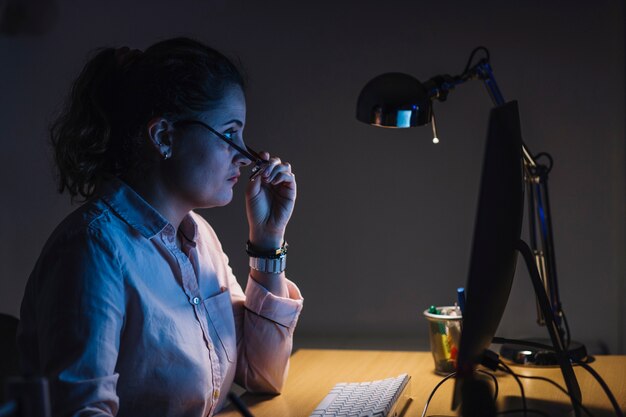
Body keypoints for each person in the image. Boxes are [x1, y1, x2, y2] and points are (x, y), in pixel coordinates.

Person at [17, 37, 303, 417]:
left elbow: (262, 375)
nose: (246, 155)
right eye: (229, 134)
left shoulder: (202, 240)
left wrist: (267, 242)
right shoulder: (92, 251)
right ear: (164, 136)